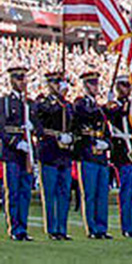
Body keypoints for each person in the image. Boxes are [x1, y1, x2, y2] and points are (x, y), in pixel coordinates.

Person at [72, 70, 113, 239]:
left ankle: (102, 228)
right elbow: (85, 115)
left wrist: (107, 144)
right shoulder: (81, 103)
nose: (96, 87)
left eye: (97, 83)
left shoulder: (99, 108)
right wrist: (105, 107)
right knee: (89, 193)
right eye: (93, 84)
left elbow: (107, 132)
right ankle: (92, 228)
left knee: (102, 194)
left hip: (101, 155)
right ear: (86, 86)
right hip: (87, 153)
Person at [35, 70, 75, 241]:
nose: (59, 86)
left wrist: (70, 136)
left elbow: (73, 122)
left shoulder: (67, 105)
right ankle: (52, 229)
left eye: (61, 82)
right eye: (56, 83)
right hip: (49, 152)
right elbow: (41, 122)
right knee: (50, 193)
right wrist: (60, 100)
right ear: (49, 84)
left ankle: (62, 228)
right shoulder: (43, 102)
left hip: (64, 154)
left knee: (64, 193)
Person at [107, 75, 132, 238]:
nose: (127, 89)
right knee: (126, 191)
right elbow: (114, 117)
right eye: (124, 85)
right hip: (123, 152)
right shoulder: (115, 106)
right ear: (116, 87)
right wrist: (110, 105)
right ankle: (127, 226)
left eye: (129, 85)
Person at [1, 65, 34, 241]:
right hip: (12, 153)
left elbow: (39, 125)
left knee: (25, 193)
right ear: (12, 80)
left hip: (26, 153)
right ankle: (14, 228)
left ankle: (23, 227)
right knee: (13, 192)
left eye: (24, 78)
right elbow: (2, 129)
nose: (23, 82)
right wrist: (16, 143)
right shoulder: (5, 102)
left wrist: (33, 127)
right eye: (19, 78)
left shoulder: (28, 103)